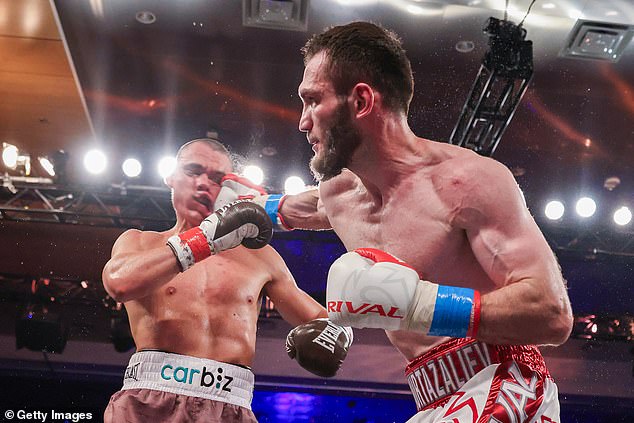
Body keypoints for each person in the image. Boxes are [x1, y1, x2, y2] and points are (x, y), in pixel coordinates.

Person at [241, 22, 573, 422]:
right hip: (430, 398)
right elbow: (296, 209)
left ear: (361, 100)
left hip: (504, 380)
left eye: (313, 101)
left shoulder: (467, 182)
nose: (303, 121)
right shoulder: (338, 195)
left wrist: (421, 305)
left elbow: (552, 313)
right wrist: (246, 208)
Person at [101, 138, 352, 423]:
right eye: (193, 171)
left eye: (217, 178)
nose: (203, 183)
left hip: (230, 406)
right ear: (170, 176)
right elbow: (119, 283)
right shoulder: (141, 242)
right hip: (149, 400)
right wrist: (206, 239)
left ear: (232, 189)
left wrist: (341, 330)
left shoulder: (261, 258)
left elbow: (325, 322)